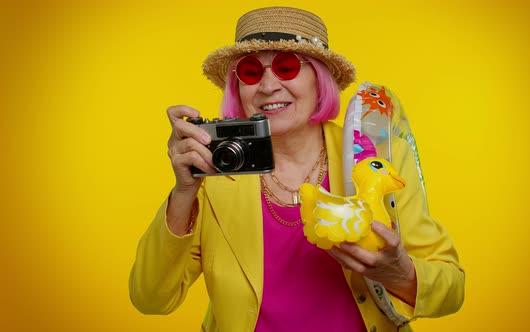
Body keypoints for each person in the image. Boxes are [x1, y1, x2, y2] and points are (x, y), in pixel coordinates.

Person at [129, 6, 464, 332]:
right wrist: (184, 192)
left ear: (320, 79)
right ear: (238, 87)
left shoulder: (374, 156)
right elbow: (152, 299)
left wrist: (401, 274)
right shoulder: (214, 175)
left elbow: (451, 288)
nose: (267, 86)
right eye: (250, 71)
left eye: (287, 67)